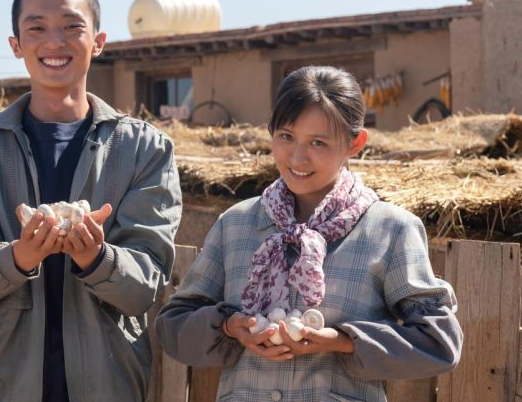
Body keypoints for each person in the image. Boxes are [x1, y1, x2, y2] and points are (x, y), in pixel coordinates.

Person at [0, 0, 182, 402]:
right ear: (16, 45)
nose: (55, 42)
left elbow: (147, 287)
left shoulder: (146, 149)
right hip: (3, 386)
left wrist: (98, 258)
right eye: (37, 28)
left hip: (111, 384)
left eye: (72, 27)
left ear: (99, 42)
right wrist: (20, 255)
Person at [156, 66, 462, 402]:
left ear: (355, 143)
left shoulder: (390, 230)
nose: (298, 157)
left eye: (318, 142)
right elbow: (173, 326)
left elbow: (439, 342)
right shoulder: (236, 224)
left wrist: (342, 341)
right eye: (286, 136)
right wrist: (231, 328)